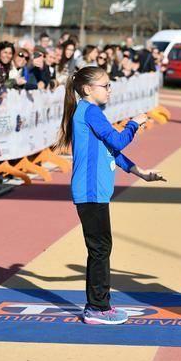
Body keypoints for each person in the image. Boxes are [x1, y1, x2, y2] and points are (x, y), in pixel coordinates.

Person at [54, 66, 165, 325]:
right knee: (100, 248)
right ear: (87, 89)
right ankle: (97, 307)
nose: (109, 89)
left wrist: (141, 172)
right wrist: (134, 124)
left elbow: (111, 151)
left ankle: (98, 304)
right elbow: (117, 141)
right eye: (105, 85)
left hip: (96, 191)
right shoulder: (90, 111)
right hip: (90, 191)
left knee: (101, 247)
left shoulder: (91, 112)